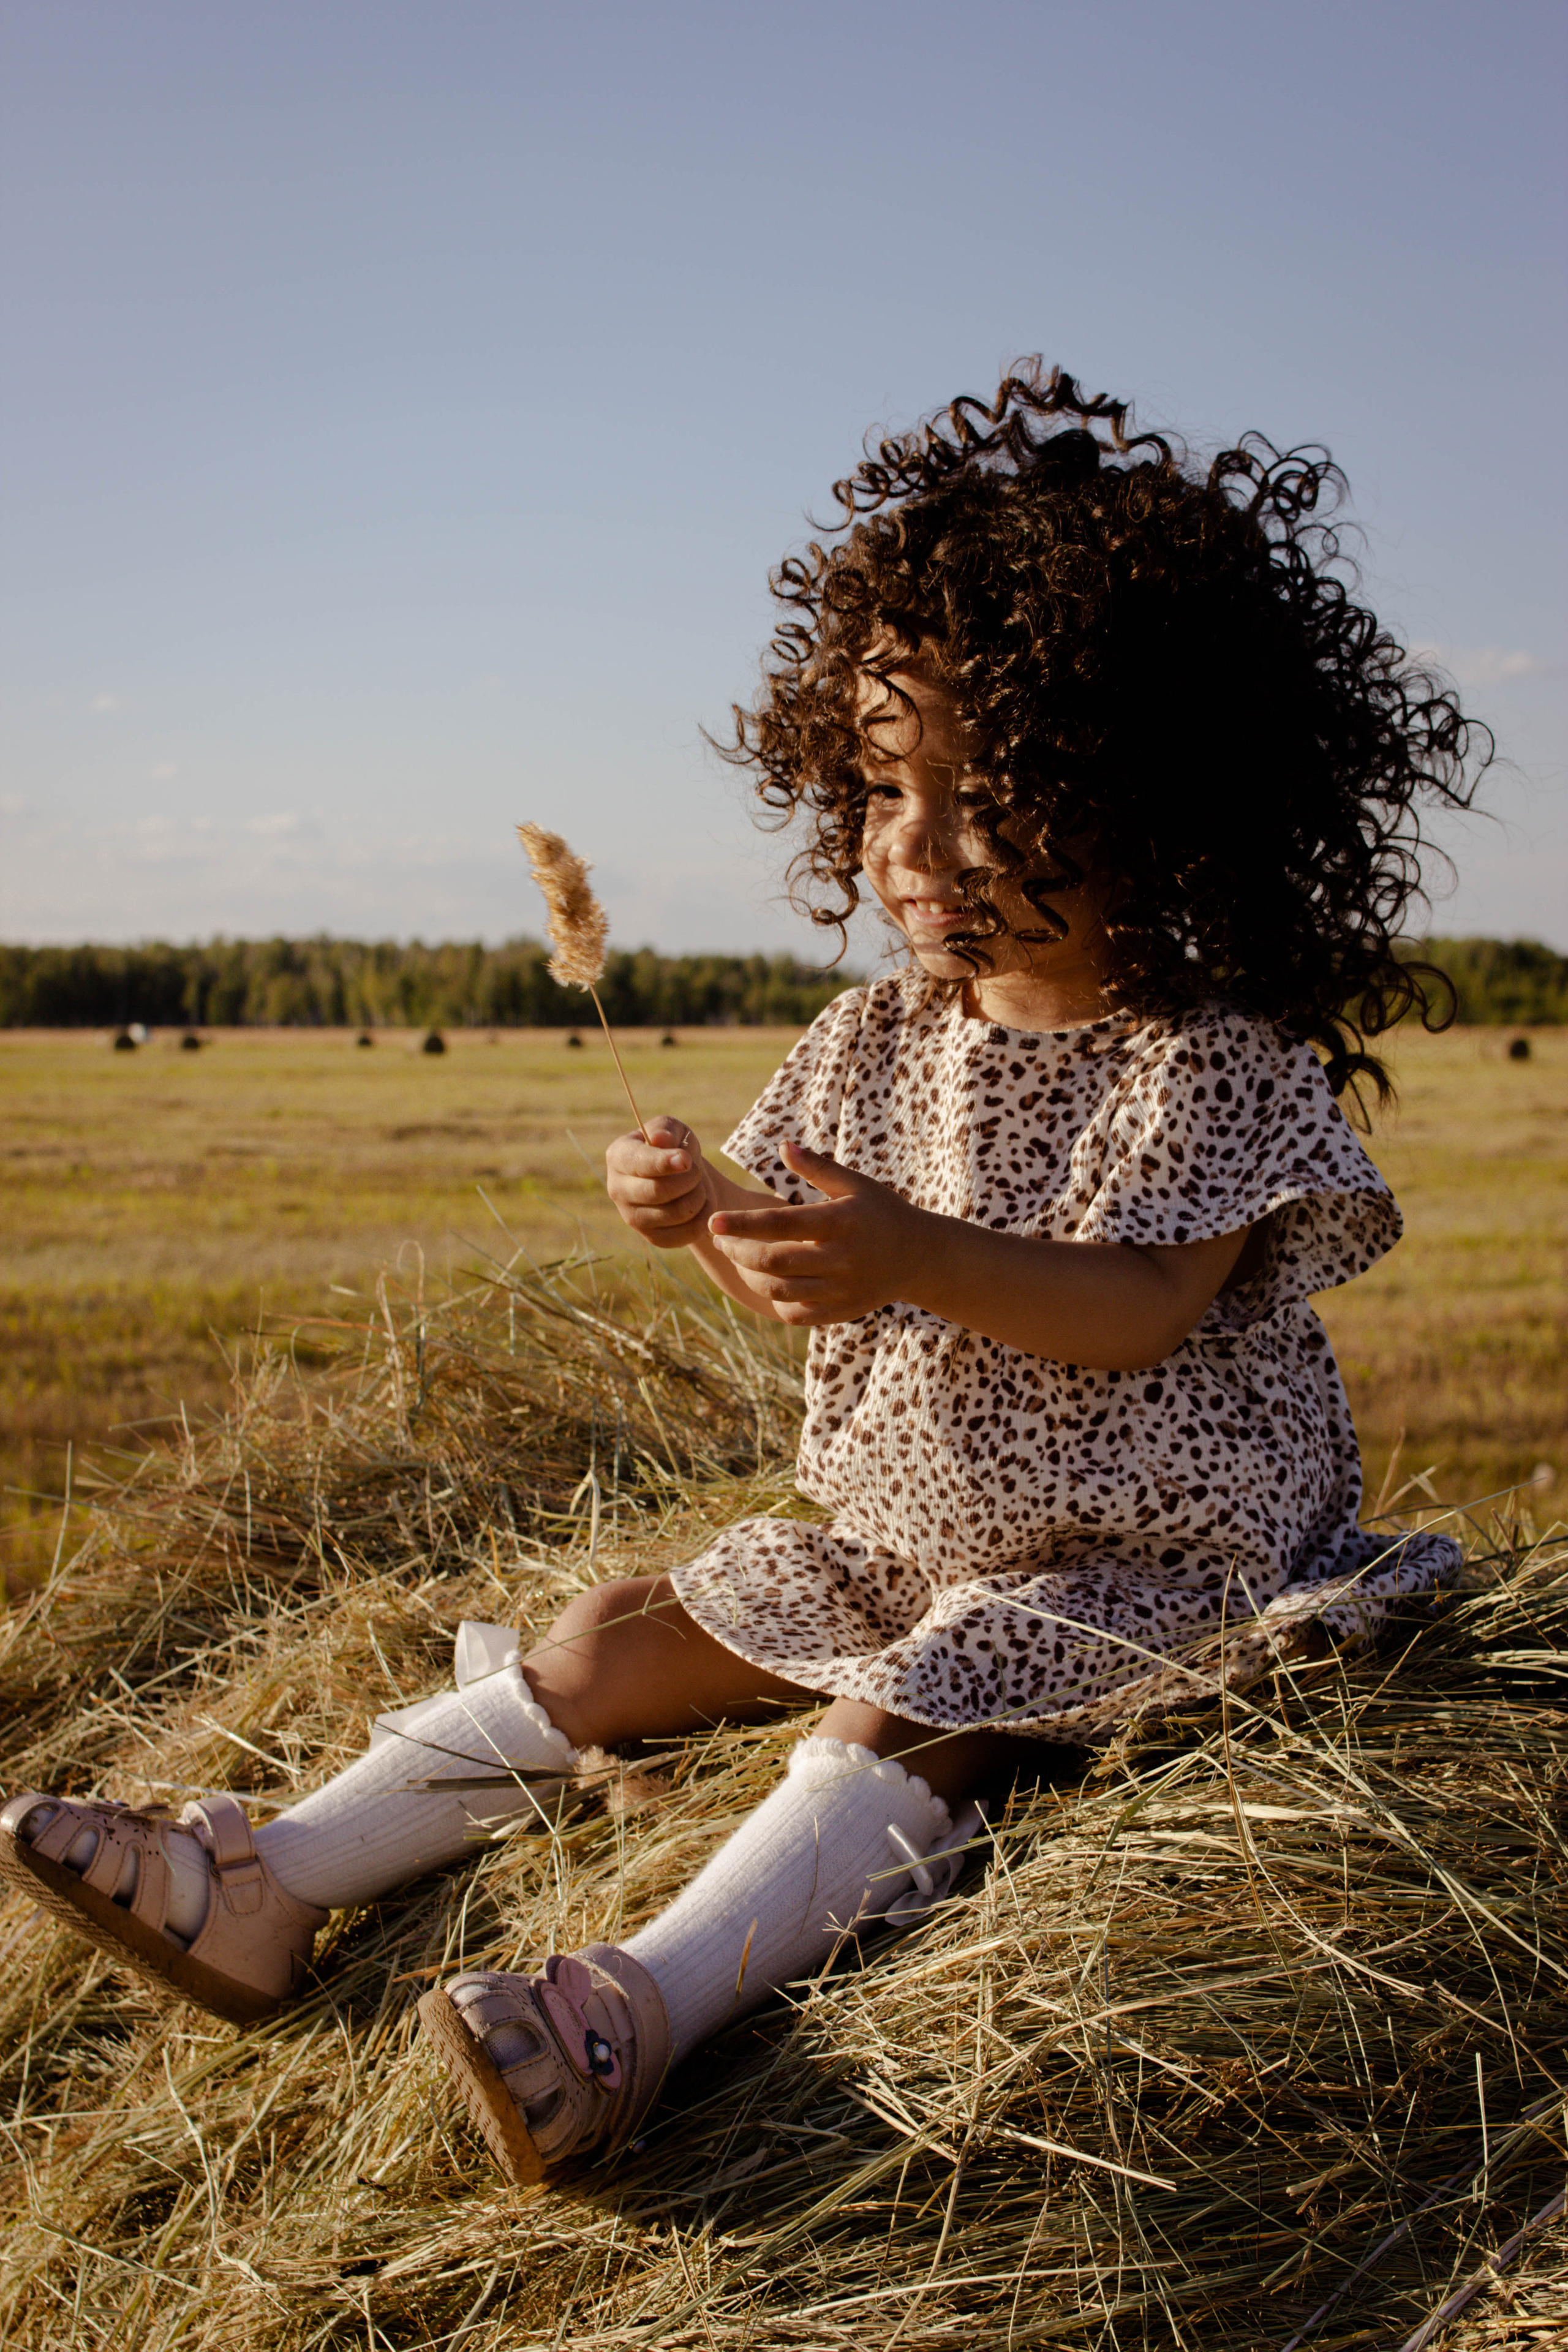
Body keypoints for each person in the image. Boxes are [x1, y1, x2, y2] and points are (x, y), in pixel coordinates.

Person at [1, 363, 1484, 2190]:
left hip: (1138, 1562)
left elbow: (1136, 1310)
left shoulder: (1208, 1061)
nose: (914, 845)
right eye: (883, 787)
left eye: (986, 793)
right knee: (614, 1633)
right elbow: (814, 1281)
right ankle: (265, 1884)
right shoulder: (873, 1037)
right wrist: (708, 1214)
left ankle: (639, 2007)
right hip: (900, 1525)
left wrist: (916, 1249)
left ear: (1159, 797)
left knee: (925, 1692)